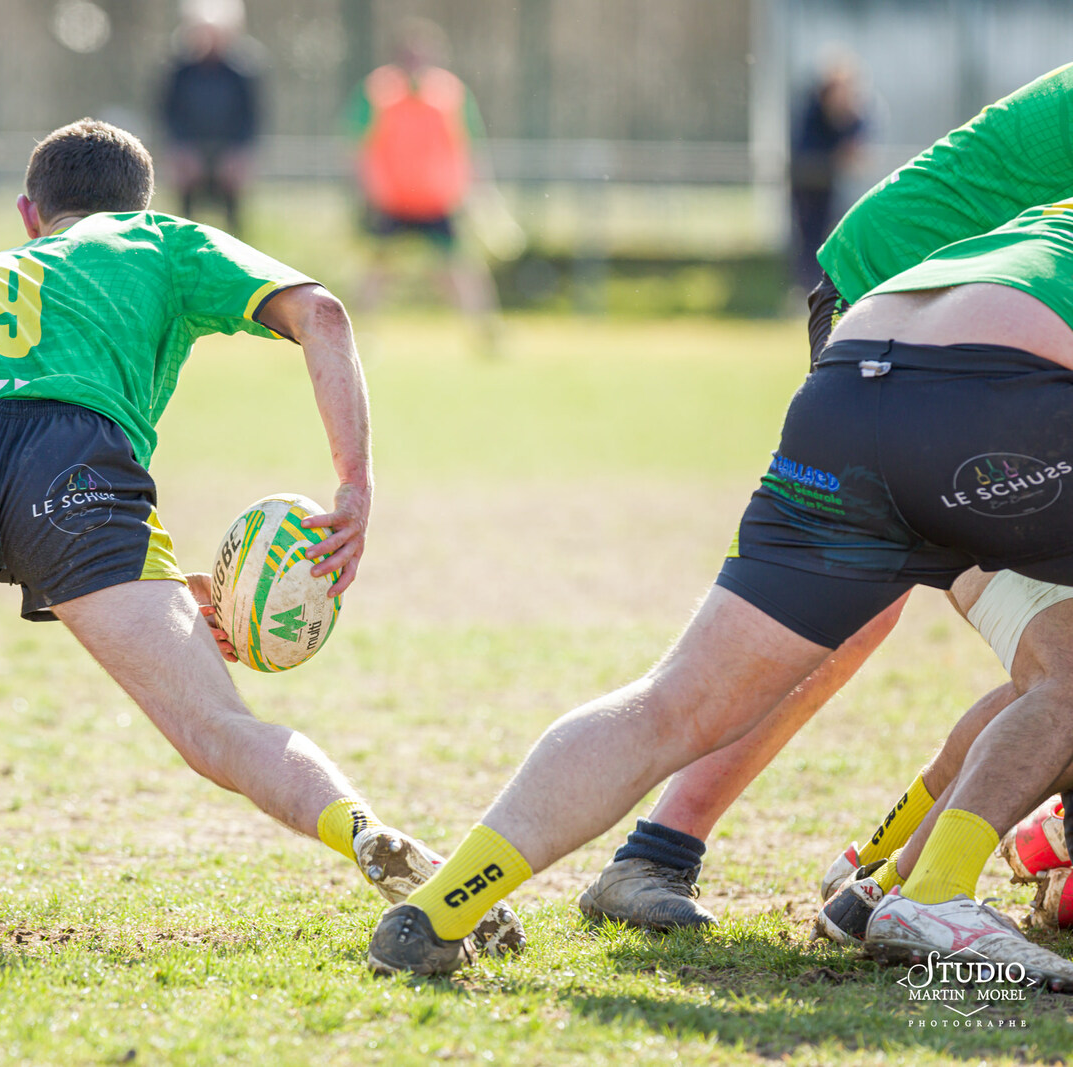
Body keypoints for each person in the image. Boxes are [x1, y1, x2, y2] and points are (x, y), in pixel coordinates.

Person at [365, 66, 1073, 984]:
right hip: (975, 357)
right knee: (1043, 664)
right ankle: (904, 883)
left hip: (873, 350)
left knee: (686, 693)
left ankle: (438, 910)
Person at [0, 118, 522, 955]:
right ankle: (368, 834)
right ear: (140, 204)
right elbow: (324, 314)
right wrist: (354, 489)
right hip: (75, 476)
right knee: (217, 727)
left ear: (29, 214)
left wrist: (161, 582)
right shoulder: (163, 239)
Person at [575, 61, 1073, 933]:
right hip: (916, 300)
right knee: (848, 604)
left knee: (1039, 653)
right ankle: (663, 850)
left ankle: (876, 875)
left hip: (984, 325)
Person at [813, 568, 1073, 950]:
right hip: (1011, 544)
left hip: (987, 548)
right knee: (1060, 684)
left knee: (1048, 686)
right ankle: (908, 888)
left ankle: (877, 874)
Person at [346, 17, 499, 352]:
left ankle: (486, 333)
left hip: (436, 201)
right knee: (377, 271)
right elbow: (358, 146)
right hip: (391, 201)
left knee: (459, 270)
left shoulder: (451, 93)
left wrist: (479, 192)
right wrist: (366, 191)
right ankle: (357, 337)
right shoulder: (377, 91)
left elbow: (469, 146)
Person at [161, 0, 262, 235]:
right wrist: (180, 150)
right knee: (184, 222)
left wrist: (239, 154)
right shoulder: (179, 72)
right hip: (190, 155)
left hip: (228, 155)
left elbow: (251, 118)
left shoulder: (242, 73)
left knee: (233, 222)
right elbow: (168, 114)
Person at [789, 58, 866, 290]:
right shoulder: (812, 112)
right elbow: (807, 152)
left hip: (834, 186)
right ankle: (807, 287)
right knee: (810, 237)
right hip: (808, 185)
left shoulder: (853, 113)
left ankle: (830, 287)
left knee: (838, 235)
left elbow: (858, 147)